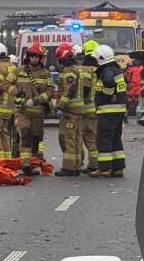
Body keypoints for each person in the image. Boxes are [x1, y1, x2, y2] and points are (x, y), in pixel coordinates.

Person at [13, 42, 54, 175]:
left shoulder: (45, 74)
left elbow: (50, 92)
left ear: (41, 58)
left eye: (37, 57)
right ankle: (25, 164)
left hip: (37, 112)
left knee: (36, 139)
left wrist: (36, 100)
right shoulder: (18, 71)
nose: (34, 59)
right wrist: (16, 93)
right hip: (22, 112)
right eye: (32, 56)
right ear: (28, 57)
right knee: (25, 135)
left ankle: (34, 163)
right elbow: (6, 84)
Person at [91, 44, 127, 178]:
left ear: (101, 58)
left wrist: (107, 94)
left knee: (104, 139)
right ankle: (118, 168)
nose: (95, 62)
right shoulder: (117, 70)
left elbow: (109, 83)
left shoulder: (107, 71)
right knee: (115, 138)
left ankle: (104, 168)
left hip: (108, 110)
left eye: (96, 59)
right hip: (118, 110)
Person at [54, 43, 84, 176]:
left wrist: (60, 106)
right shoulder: (77, 68)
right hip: (78, 110)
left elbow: (69, 90)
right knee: (76, 138)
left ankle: (69, 167)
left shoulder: (68, 70)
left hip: (70, 110)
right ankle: (76, 165)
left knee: (68, 138)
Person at [79, 40, 99, 172]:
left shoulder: (84, 70)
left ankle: (78, 163)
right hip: (97, 109)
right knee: (93, 138)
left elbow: (84, 91)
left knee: (79, 138)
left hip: (84, 110)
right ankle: (94, 164)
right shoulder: (100, 70)